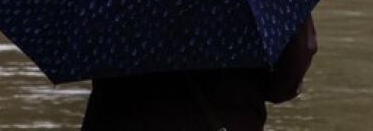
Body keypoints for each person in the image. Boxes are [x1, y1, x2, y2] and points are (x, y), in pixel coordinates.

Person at [79, 14, 318, 131]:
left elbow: (84, 47)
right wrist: (270, 88)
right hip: (224, 118)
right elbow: (301, 49)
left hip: (119, 119)